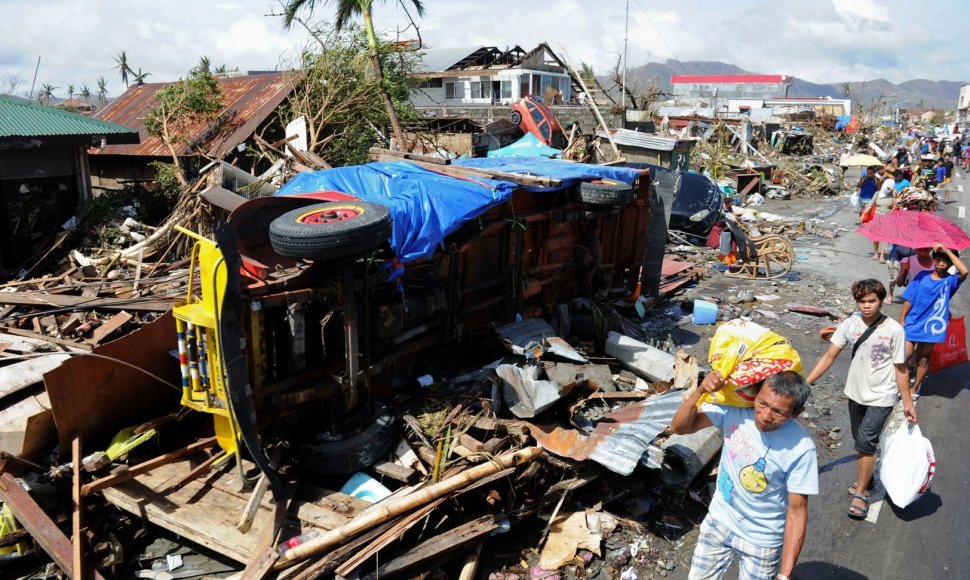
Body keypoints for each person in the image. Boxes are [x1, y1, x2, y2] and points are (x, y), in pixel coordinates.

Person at [672, 371, 817, 580]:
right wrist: (701, 390)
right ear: (756, 394)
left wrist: (785, 574)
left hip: (762, 540)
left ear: (797, 412)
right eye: (763, 403)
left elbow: (797, 511)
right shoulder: (735, 410)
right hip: (719, 520)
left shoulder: (802, 448)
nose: (766, 416)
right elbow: (679, 427)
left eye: (778, 412)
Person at [806, 279, 916, 520]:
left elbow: (901, 368)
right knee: (860, 441)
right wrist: (807, 382)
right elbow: (828, 358)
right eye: (862, 301)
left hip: (882, 396)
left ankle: (862, 492)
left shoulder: (894, 330)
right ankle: (868, 477)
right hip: (855, 393)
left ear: (881, 300)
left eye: (872, 301)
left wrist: (907, 402)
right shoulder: (850, 324)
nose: (867, 306)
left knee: (865, 443)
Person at [899, 245, 969, 398]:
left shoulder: (950, 282)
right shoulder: (922, 276)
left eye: (945, 261)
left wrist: (948, 251)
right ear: (934, 259)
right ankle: (898, 383)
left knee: (924, 359)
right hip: (913, 320)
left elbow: (965, 271)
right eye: (938, 259)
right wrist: (902, 318)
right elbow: (909, 298)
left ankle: (915, 387)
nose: (941, 264)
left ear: (950, 264)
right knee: (905, 355)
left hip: (933, 325)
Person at [869, 170, 897, 262]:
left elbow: (896, 206)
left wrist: (894, 197)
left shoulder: (893, 196)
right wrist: (864, 214)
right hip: (877, 216)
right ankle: (876, 254)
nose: (889, 189)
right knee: (875, 236)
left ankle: (882, 256)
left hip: (887, 217)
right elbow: (870, 204)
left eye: (890, 188)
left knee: (884, 237)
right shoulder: (878, 194)